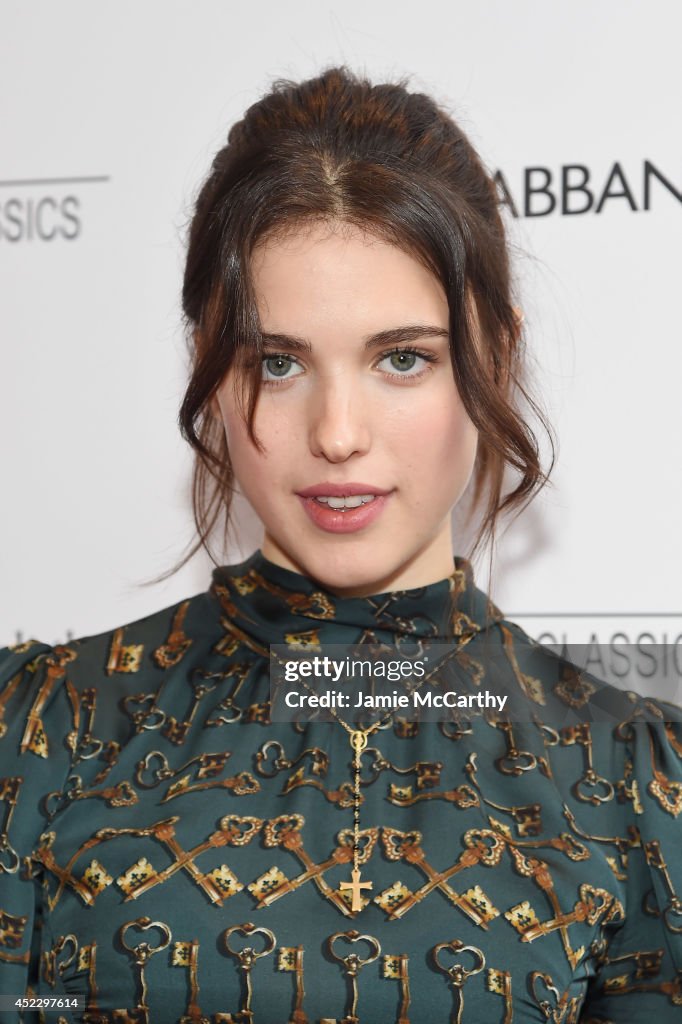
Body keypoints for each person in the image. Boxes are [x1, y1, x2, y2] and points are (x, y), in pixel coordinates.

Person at [1, 66, 680, 1024]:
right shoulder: (42, 734)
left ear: (497, 356)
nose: (338, 434)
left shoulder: (630, 783)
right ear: (207, 364)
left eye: (403, 358)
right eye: (277, 364)